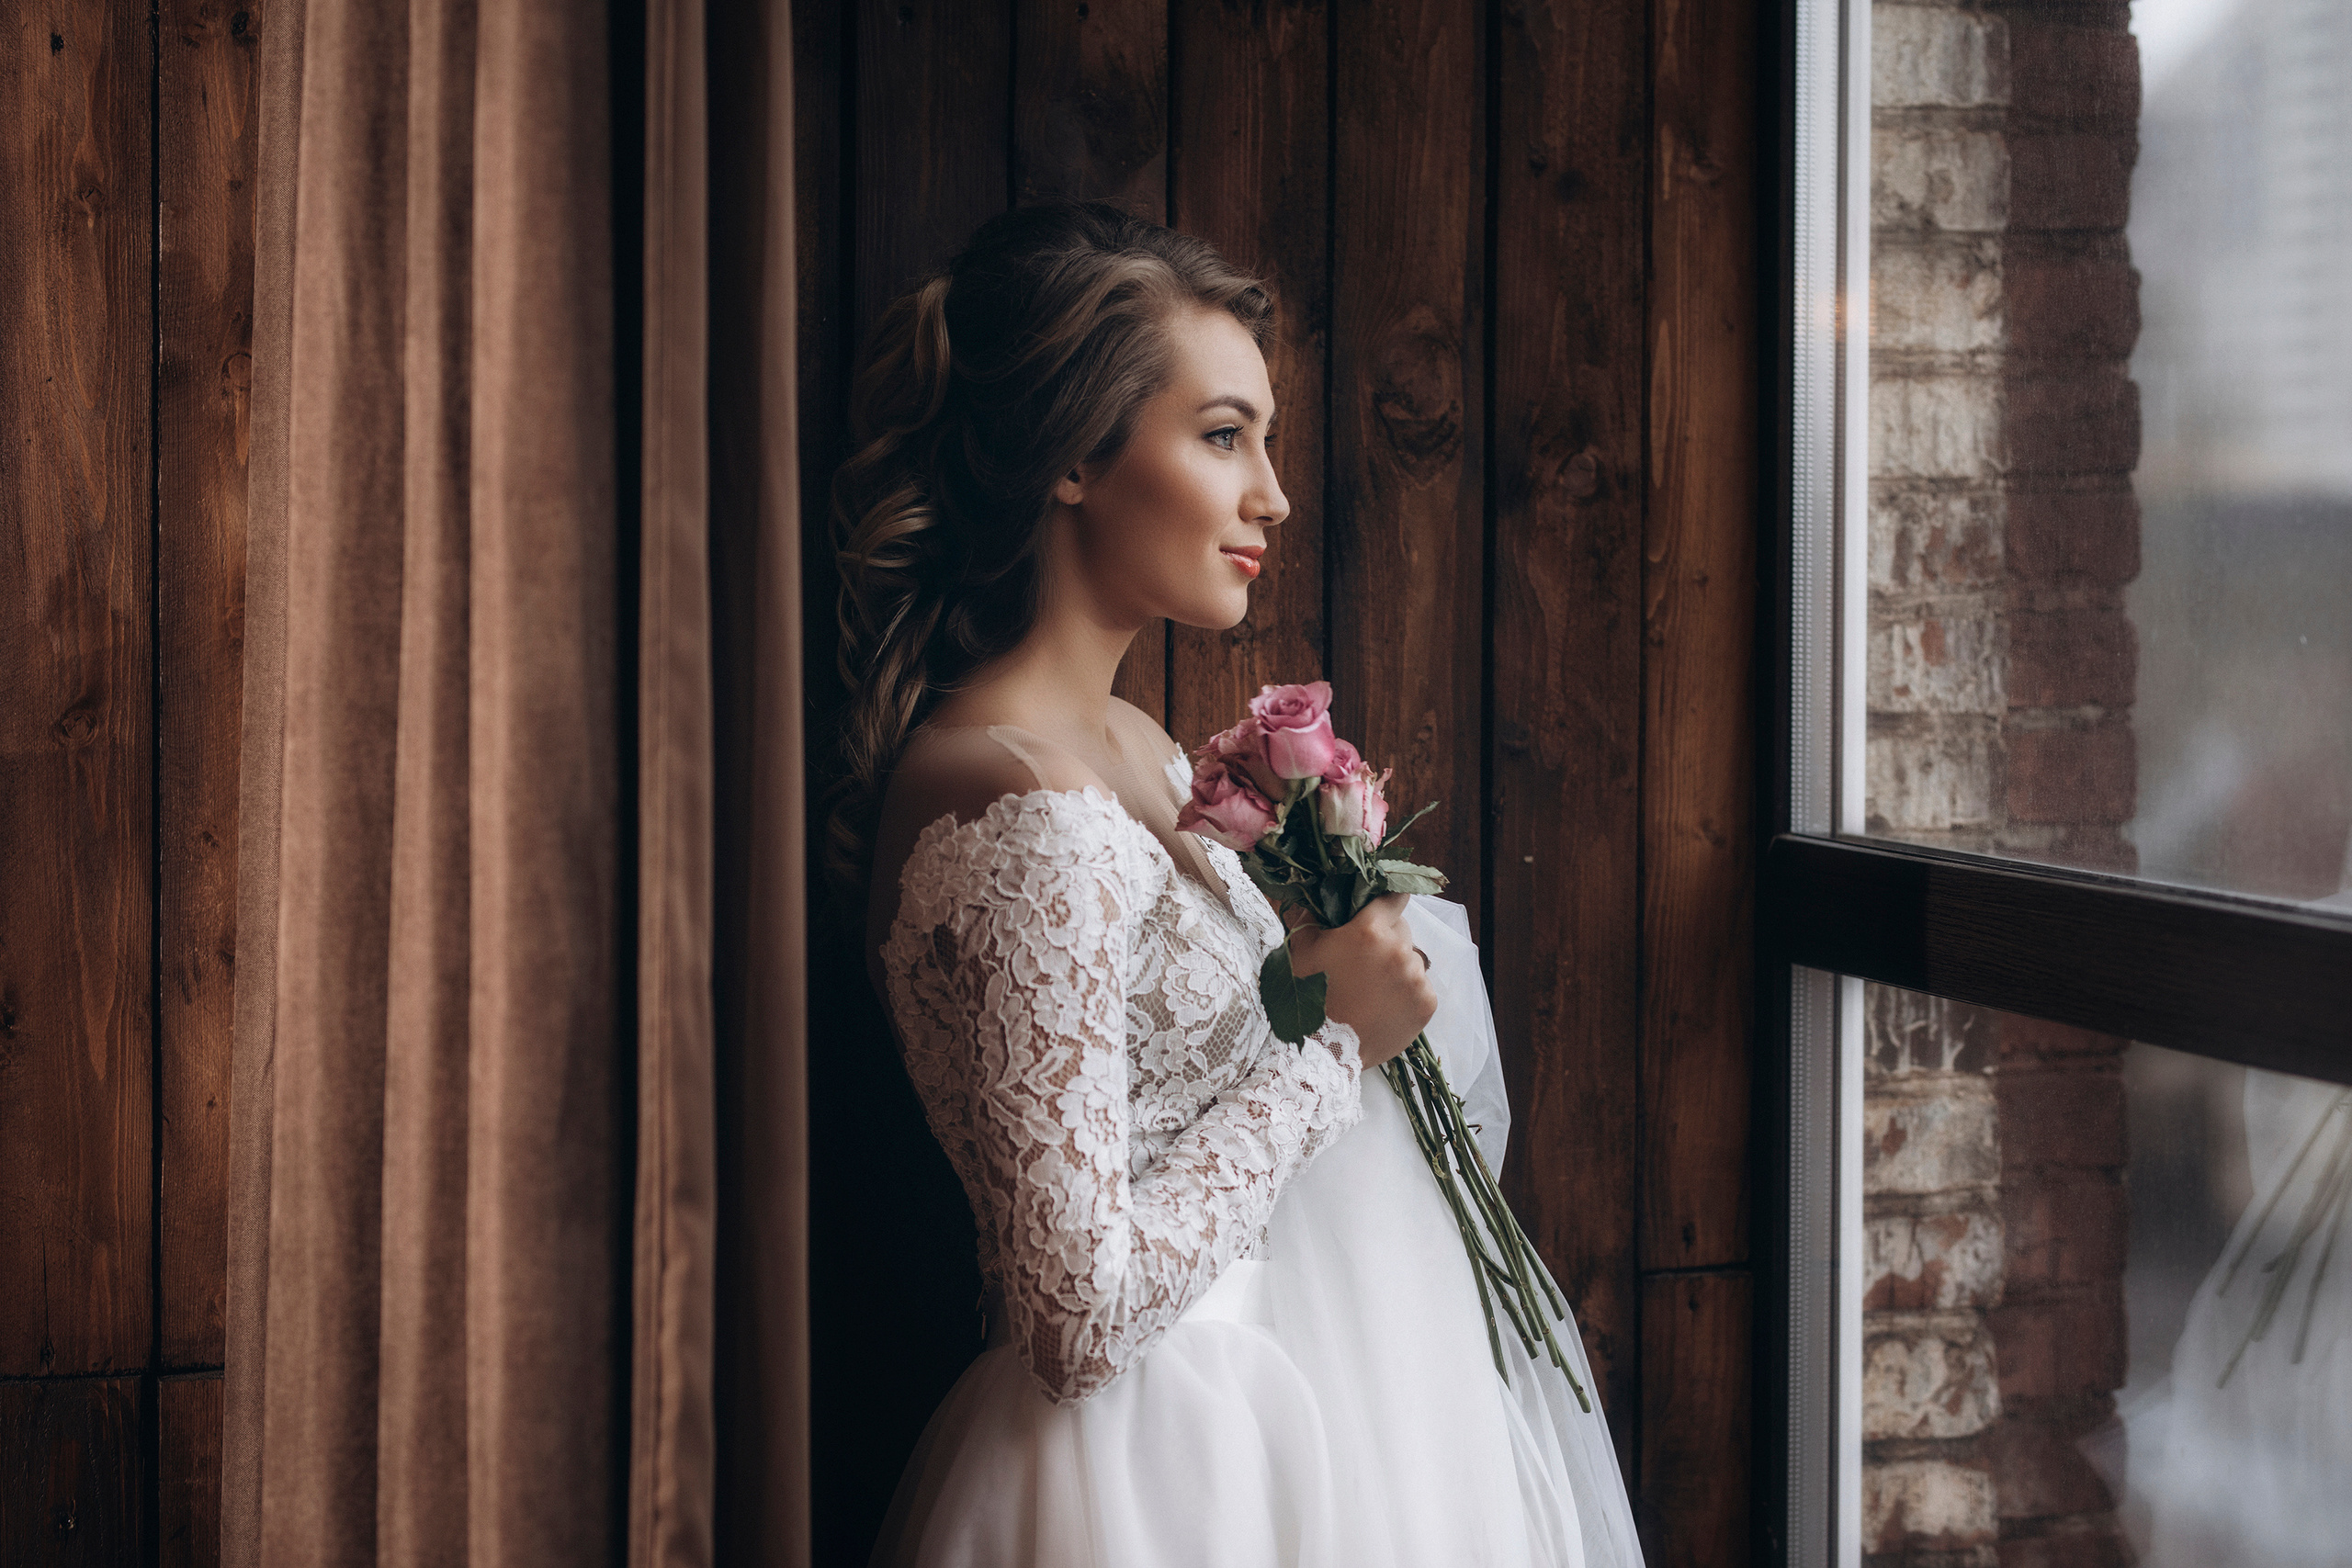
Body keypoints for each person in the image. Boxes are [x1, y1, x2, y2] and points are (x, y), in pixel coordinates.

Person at [831, 200, 1643, 1568]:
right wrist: (1331, 1046)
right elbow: (1076, 1316)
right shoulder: (1018, 802)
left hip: (1307, 1407)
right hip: (1155, 1476)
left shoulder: (1141, 750)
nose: (1273, 493)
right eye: (1223, 436)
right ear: (1074, 454)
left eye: (1265, 440)